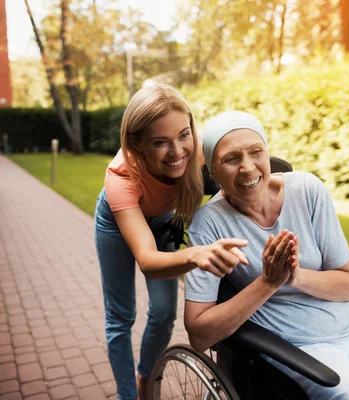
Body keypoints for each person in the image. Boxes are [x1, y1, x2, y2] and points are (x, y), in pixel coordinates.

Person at [183, 111, 349, 400]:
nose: (248, 167)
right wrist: (268, 282)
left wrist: (296, 276)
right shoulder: (209, 225)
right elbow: (200, 336)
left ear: (267, 153)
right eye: (231, 158)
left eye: (255, 152)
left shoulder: (307, 190)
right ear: (213, 171)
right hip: (304, 351)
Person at [94, 85, 249, 400]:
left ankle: (147, 376)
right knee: (121, 316)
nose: (178, 152)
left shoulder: (199, 153)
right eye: (160, 142)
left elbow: (247, 163)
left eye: (183, 135)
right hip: (115, 220)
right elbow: (148, 261)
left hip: (162, 219)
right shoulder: (120, 178)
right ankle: (128, 395)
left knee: (164, 312)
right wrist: (195, 254)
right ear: (136, 143)